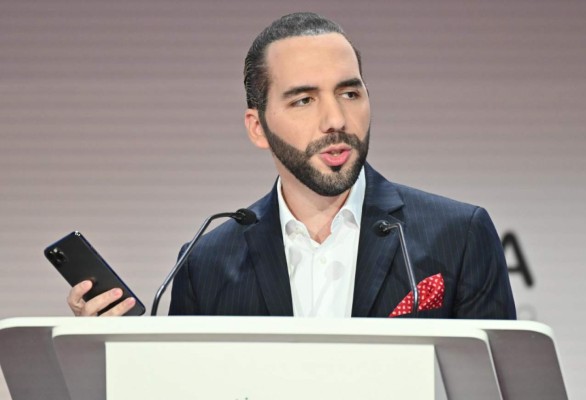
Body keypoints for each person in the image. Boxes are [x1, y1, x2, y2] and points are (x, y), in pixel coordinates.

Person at [68, 12, 516, 319]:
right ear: (257, 127)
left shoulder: (459, 236)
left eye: (350, 93)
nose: (336, 119)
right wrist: (111, 349)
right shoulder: (205, 263)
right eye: (304, 100)